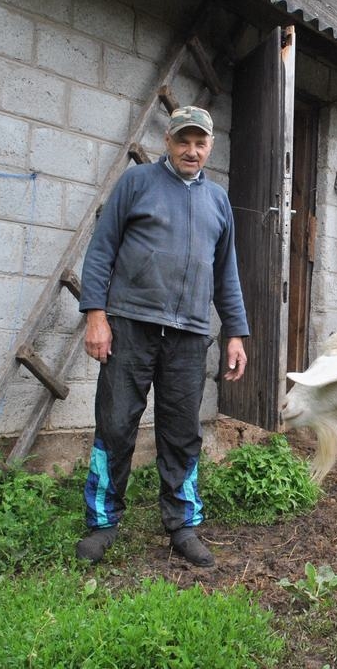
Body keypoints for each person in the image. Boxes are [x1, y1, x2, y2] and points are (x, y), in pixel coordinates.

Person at [74, 105, 249, 567]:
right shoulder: (137, 183)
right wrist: (96, 315)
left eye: (200, 142)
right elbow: (101, 250)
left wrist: (235, 331)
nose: (191, 150)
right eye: (182, 141)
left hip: (189, 336)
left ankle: (182, 524)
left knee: (181, 433)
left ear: (210, 146)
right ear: (168, 142)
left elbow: (225, 271)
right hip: (130, 324)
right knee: (115, 425)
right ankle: (102, 523)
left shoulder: (217, 201)